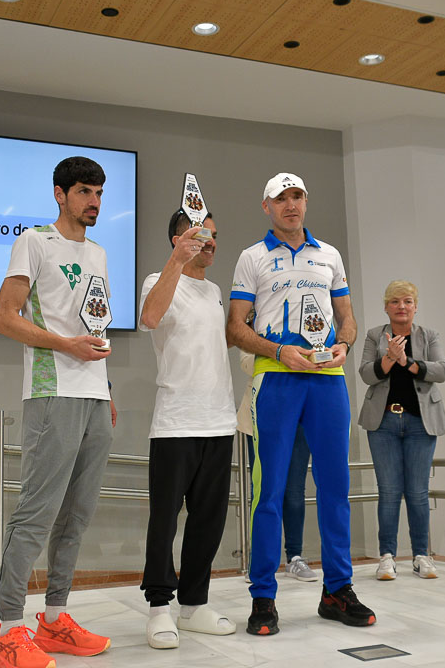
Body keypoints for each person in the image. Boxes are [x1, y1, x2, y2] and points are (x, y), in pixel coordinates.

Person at [226, 172, 375, 636]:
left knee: (336, 487)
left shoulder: (329, 254)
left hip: (328, 380)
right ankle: (263, 597)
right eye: (281, 198)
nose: (290, 205)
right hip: (276, 378)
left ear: (306, 202)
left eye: (297, 196)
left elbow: (347, 318)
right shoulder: (252, 257)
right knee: (268, 491)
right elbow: (235, 328)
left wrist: (344, 344)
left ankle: (337, 590)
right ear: (266, 206)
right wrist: (277, 350)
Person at [0, 157, 118, 668]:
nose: (94, 201)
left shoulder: (99, 253)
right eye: (84, 191)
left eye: (99, 192)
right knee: (36, 515)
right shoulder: (34, 241)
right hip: (51, 391)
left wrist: (106, 388)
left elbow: (94, 327)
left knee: (77, 515)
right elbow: (4, 318)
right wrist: (66, 345)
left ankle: (55, 618)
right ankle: (7, 630)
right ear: (60, 194)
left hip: (94, 395)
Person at [138, 211, 238, 650]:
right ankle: (159, 606)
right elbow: (149, 318)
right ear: (178, 239)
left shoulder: (214, 291)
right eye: (201, 234)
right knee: (164, 520)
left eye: (214, 235)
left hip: (219, 419)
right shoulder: (157, 279)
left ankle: (194, 604)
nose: (210, 241)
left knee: (208, 520)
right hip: (175, 421)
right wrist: (176, 262)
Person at [358, 280, 445, 582]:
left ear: (415, 306)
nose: (401, 307)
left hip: (420, 423)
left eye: (407, 301)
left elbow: (441, 370)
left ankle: (421, 555)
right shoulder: (375, 335)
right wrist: (388, 358)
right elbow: (366, 374)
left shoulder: (428, 335)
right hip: (383, 422)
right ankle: (387, 557)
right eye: (395, 301)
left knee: (418, 492)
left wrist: (406, 362)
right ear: (386, 307)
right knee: (388, 491)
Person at [237, 349, 319, 584]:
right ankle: (260, 561)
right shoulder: (255, 330)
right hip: (263, 411)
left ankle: (294, 557)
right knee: (264, 490)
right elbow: (247, 363)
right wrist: (282, 355)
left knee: (294, 491)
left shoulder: (304, 328)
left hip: (301, 412)